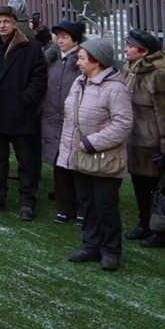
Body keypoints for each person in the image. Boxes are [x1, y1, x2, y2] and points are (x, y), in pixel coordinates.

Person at [59, 37, 132, 271]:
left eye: (82, 58)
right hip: (80, 156)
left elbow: (123, 124)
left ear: (96, 60)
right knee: (88, 204)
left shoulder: (115, 88)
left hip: (103, 159)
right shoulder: (79, 82)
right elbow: (70, 120)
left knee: (105, 206)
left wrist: (94, 142)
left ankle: (110, 251)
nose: (78, 62)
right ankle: (90, 245)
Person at [0, 5, 49, 219]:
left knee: (27, 161)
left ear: (14, 23)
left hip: (22, 115)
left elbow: (39, 78)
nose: (2, 25)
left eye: (6, 21)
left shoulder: (30, 46)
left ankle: (27, 202)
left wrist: (23, 101)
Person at [124, 29, 165, 248]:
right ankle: (145, 223)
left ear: (143, 51)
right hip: (135, 141)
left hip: (152, 144)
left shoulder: (160, 74)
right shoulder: (132, 69)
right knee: (139, 184)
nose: (126, 49)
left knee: (157, 188)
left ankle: (162, 232)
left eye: (130, 46)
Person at [42, 19, 87, 225]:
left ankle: (82, 208)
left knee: (78, 166)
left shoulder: (82, 60)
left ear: (75, 40)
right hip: (52, 117)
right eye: (58, 37)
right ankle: (64, 207)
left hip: (75, 119)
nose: (60, 41)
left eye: (65, 37)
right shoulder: (51, 58)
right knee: (59, 164)